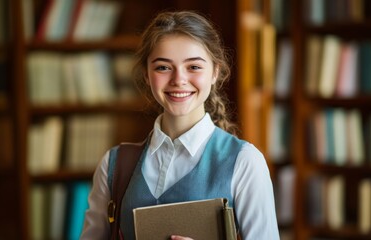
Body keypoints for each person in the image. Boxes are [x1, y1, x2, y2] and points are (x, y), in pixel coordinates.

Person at [80, 10, 279, 240]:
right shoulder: (113, 166)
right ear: (146, 74)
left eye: (194, 67)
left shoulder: (245, 162)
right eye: (163, 67)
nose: (179, 80)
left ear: (215, 72)